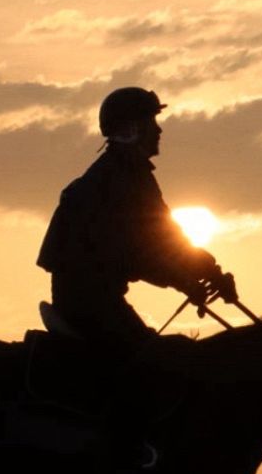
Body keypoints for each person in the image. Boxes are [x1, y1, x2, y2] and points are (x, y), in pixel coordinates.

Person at [37, 87, 237, 348]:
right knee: (152, 364)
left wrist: (210, 272)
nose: (159, 130)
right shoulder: (117, 180)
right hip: (89, 304)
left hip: (96, 300)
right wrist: (185, 280)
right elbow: (139, 253)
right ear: (131, 130)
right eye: (151, 122)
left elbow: (168, 240)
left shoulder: (128, 175)